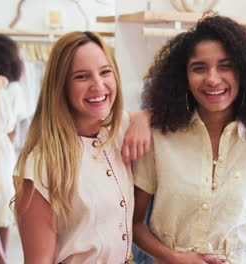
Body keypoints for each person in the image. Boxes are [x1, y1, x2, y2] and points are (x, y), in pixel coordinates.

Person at [131, 14, 246, 264]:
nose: (212, 78)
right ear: (183, 79)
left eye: (226, 66)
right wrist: (174, 257)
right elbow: (133, 223)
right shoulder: (158, 139)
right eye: (199, 68)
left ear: (245, 73)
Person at [12, 31, 149, 263]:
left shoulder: (117, 130)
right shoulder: (41, 165)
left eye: (106, 72)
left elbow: (155, 114)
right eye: (82, 76)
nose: (98, 85)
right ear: (61, 86)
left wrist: (143, 120)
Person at [0, 33, 27, 264]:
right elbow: (14, 131)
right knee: (2, 211)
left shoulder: (2, 88)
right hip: (5, 152)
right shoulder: (13, 88)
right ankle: (0, 258)